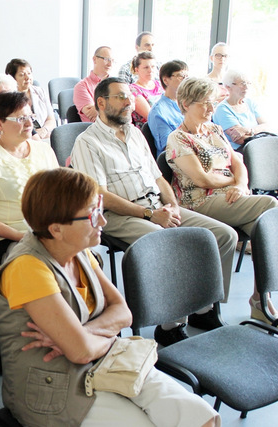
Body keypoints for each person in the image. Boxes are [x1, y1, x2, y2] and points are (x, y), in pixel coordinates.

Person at [0, 167, 220, 427]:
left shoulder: (78, 250)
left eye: (98, 208)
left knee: (201, 418)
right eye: (92, 215)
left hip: (108, 362)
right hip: (53, 388)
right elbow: (80, 352)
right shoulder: (27, 268)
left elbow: (123, 313)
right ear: (56, 229)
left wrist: (83, 333)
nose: (102, 221)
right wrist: (98, 337)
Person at [71, 77, 238, 347]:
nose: (129, 102)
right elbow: (101, 196)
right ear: (101, 103)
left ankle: (204, 309)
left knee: (224, 235)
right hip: (118, 215)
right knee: (172, 244)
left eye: (130, 96)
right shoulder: (87, 142)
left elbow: (159, 178)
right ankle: (170, 325)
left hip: (157, 206)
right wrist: (150, 215)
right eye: (121, 97)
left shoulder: (136, 133)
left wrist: (171, 205)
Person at [166, 77, 278, 323]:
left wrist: (240, 184)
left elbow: (237, 161)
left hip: (228, 199)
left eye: (212, 103)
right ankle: (216, 305)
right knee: (271, 206)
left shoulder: (214, 130)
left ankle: (260, 299)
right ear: (185, 104)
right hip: (198, 202)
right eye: (204, 104)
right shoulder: (178, 139)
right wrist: (232, 182)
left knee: (262, 233)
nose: (211, 109)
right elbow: (202, 179)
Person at [0, 91, 59, 267]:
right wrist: (27, 237)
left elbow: (60, 197)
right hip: (11, 239)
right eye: (20, 119)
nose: (29, 124)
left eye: (30, 116)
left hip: (50, 232)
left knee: (86, 259)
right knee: (47, 265)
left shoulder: (44, 150)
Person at [213, 69, 275, 150]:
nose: (246, 87)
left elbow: (267, 126)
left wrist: (249, 130)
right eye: (242, 84)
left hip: (260, 146)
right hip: (243, 150)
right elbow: (240, 139)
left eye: (248, 83)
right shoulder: (222, 109)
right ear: (228, 86)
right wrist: (260, 131)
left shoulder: (250, 103)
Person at [5, 58, 56, 139]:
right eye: (22, 74)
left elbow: (51, 120)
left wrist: (44, 130)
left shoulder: (40, 91)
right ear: (12, 78)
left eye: (29, 73)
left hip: (44, 136)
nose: (27, 77)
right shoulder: (8, 97)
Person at [148, 60, 188, 156]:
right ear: (165, 80)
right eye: (181, 76)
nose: (185, 80)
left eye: (187, 76)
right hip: (178, 158)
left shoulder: (191, 104)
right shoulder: (158, 112)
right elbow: (169, 148)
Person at [74, 46, 114, 122]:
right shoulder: (82, 86)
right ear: (94, 59)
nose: (110, 64)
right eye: (106, 59)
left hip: (120, 129)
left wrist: (99, 108)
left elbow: (130, 106)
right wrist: (117, 106)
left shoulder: (117, 84)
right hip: (97, 131)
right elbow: (93, 115)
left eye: (112, 60)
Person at [130, 51, 164, 129]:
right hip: (148, 131)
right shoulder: (133, 90)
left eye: (153, 67)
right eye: (146, 67)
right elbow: (150, 116)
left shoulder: (160, 84)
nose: (150, 70)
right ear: (137, 70)